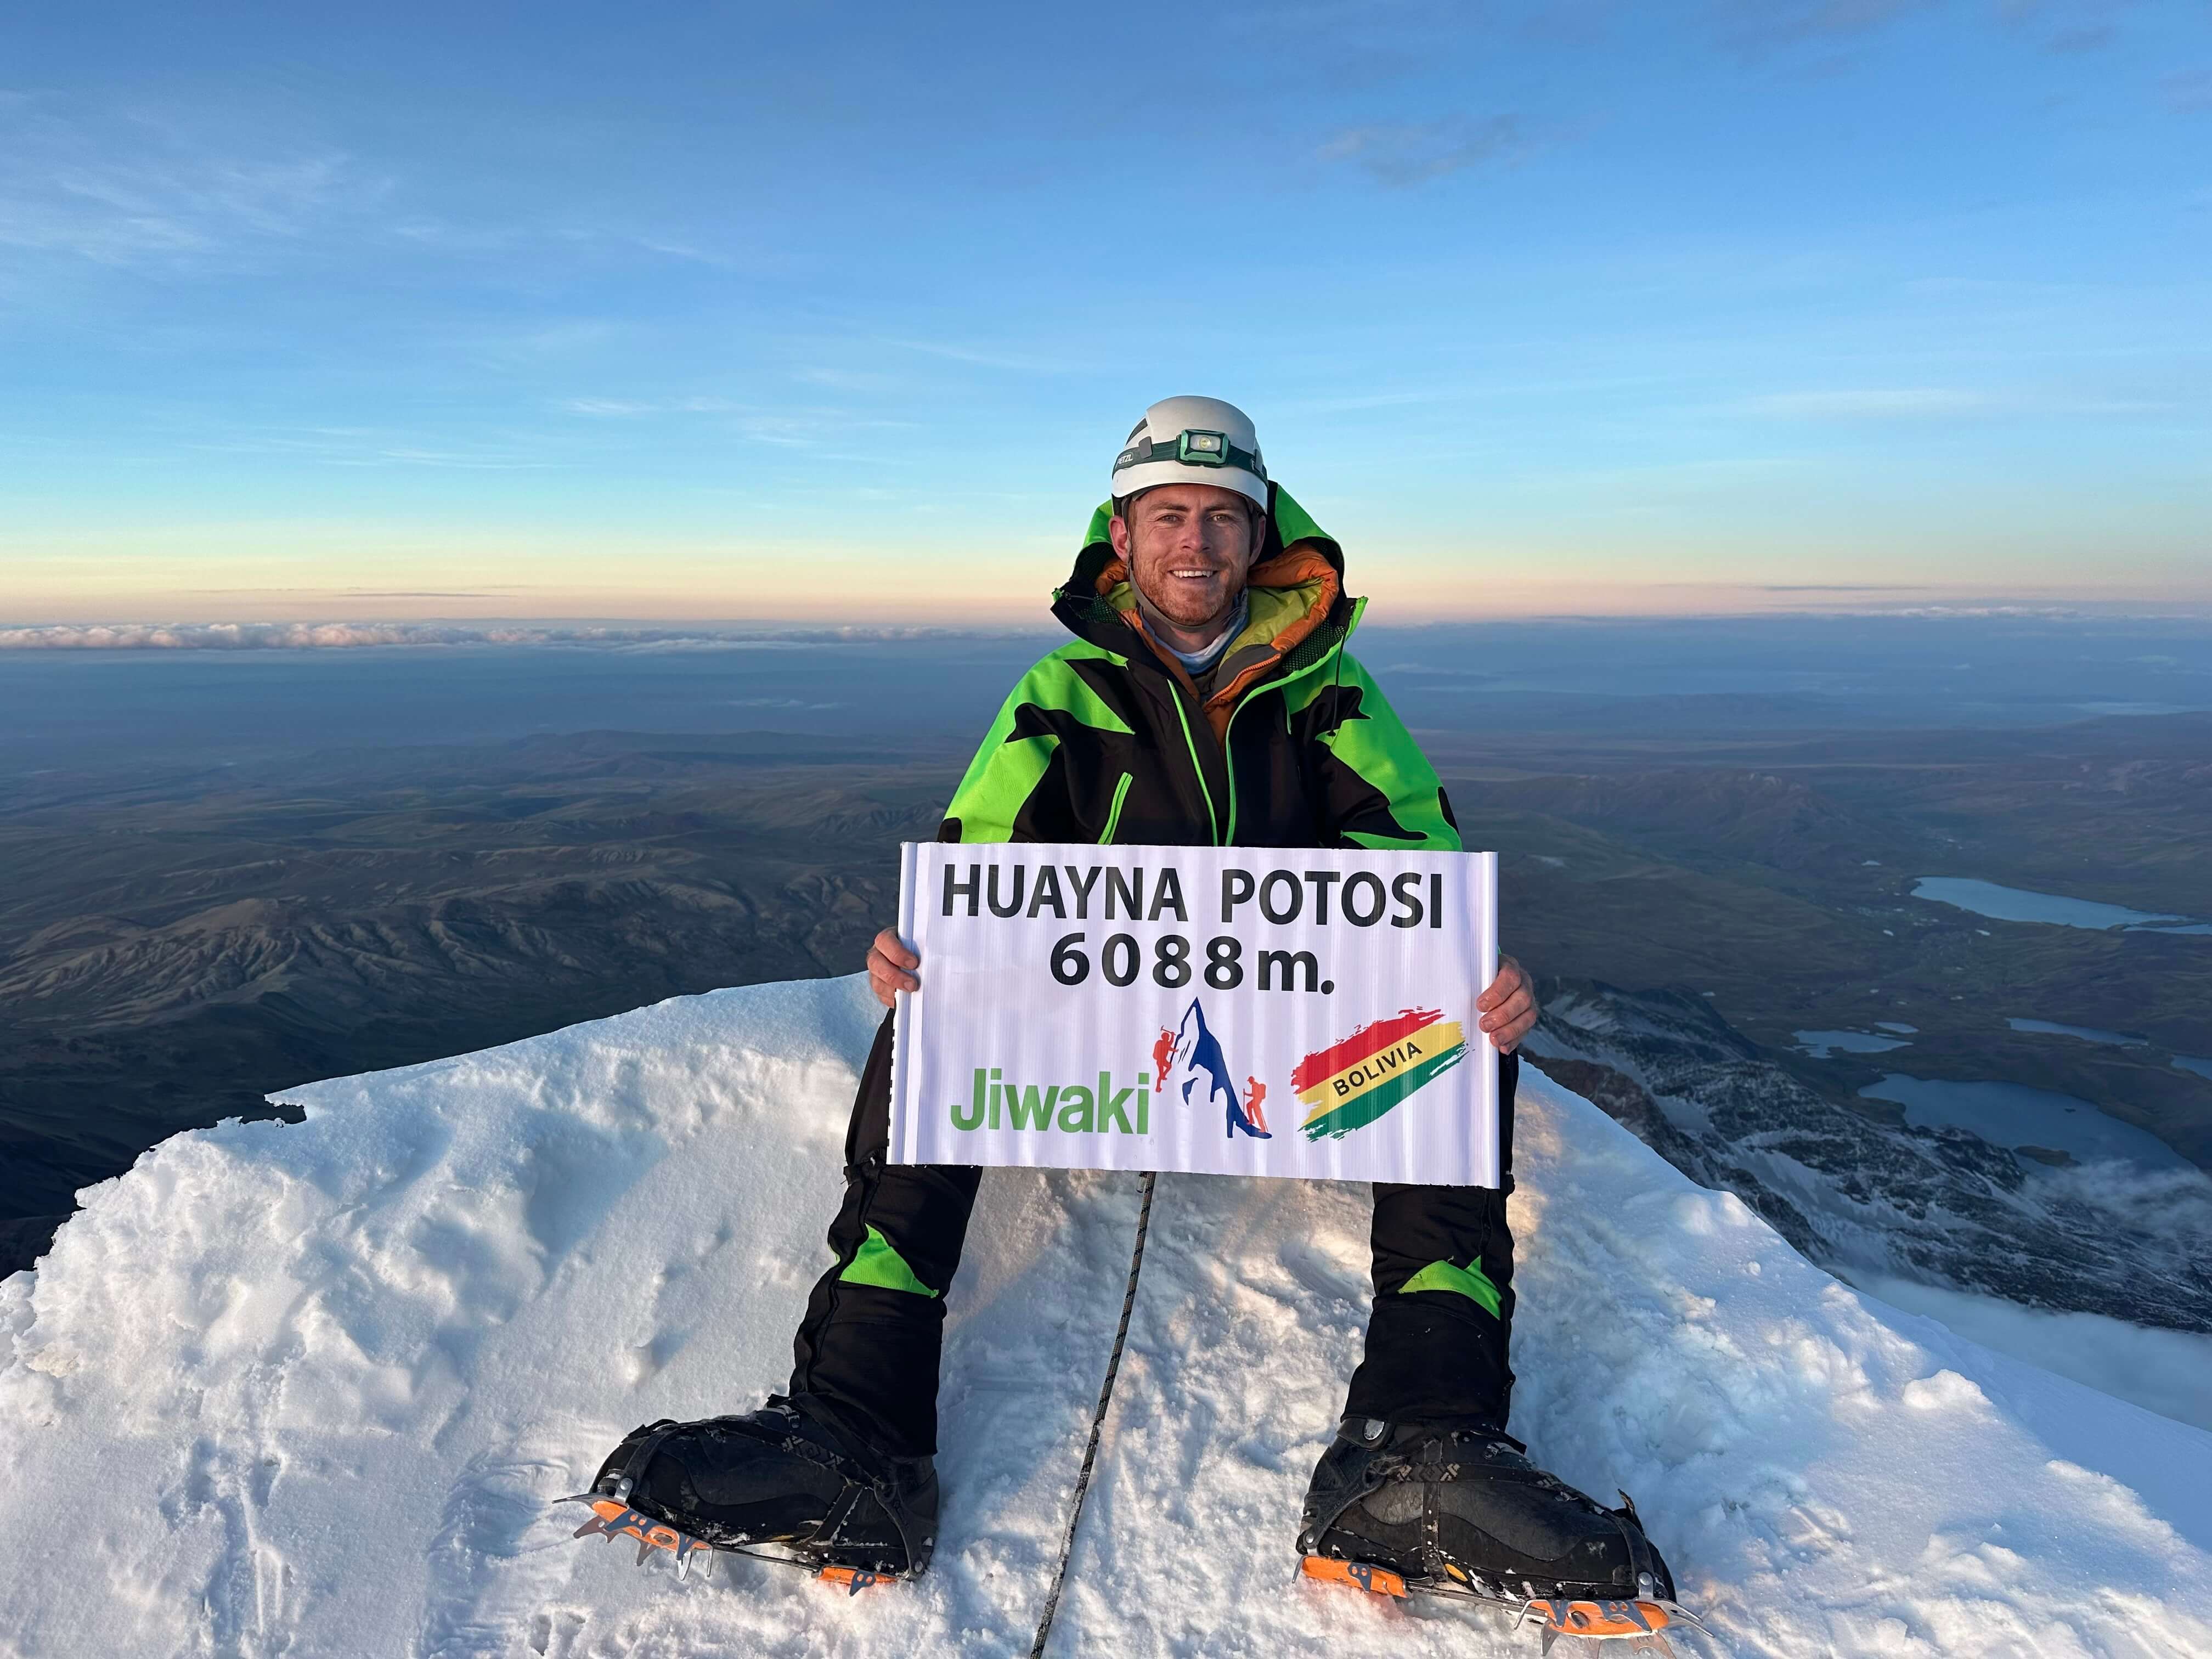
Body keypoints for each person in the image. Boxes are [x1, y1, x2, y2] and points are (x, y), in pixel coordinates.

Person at [583, 397, 1674, 1605]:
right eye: (1168, 516)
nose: (1194, 544)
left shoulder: (1333, 697)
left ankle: (1421, 1441)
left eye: (1221, 517)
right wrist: (917, 953)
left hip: (1291, 1038)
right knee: (939, 1019)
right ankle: (855, 1433)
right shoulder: (1063, 693)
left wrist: (1473, 975)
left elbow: (1417, 877)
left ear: (1260, 538)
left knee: (1465, 1027)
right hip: (1097, 1035)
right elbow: (978, 868)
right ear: (1124, 529)